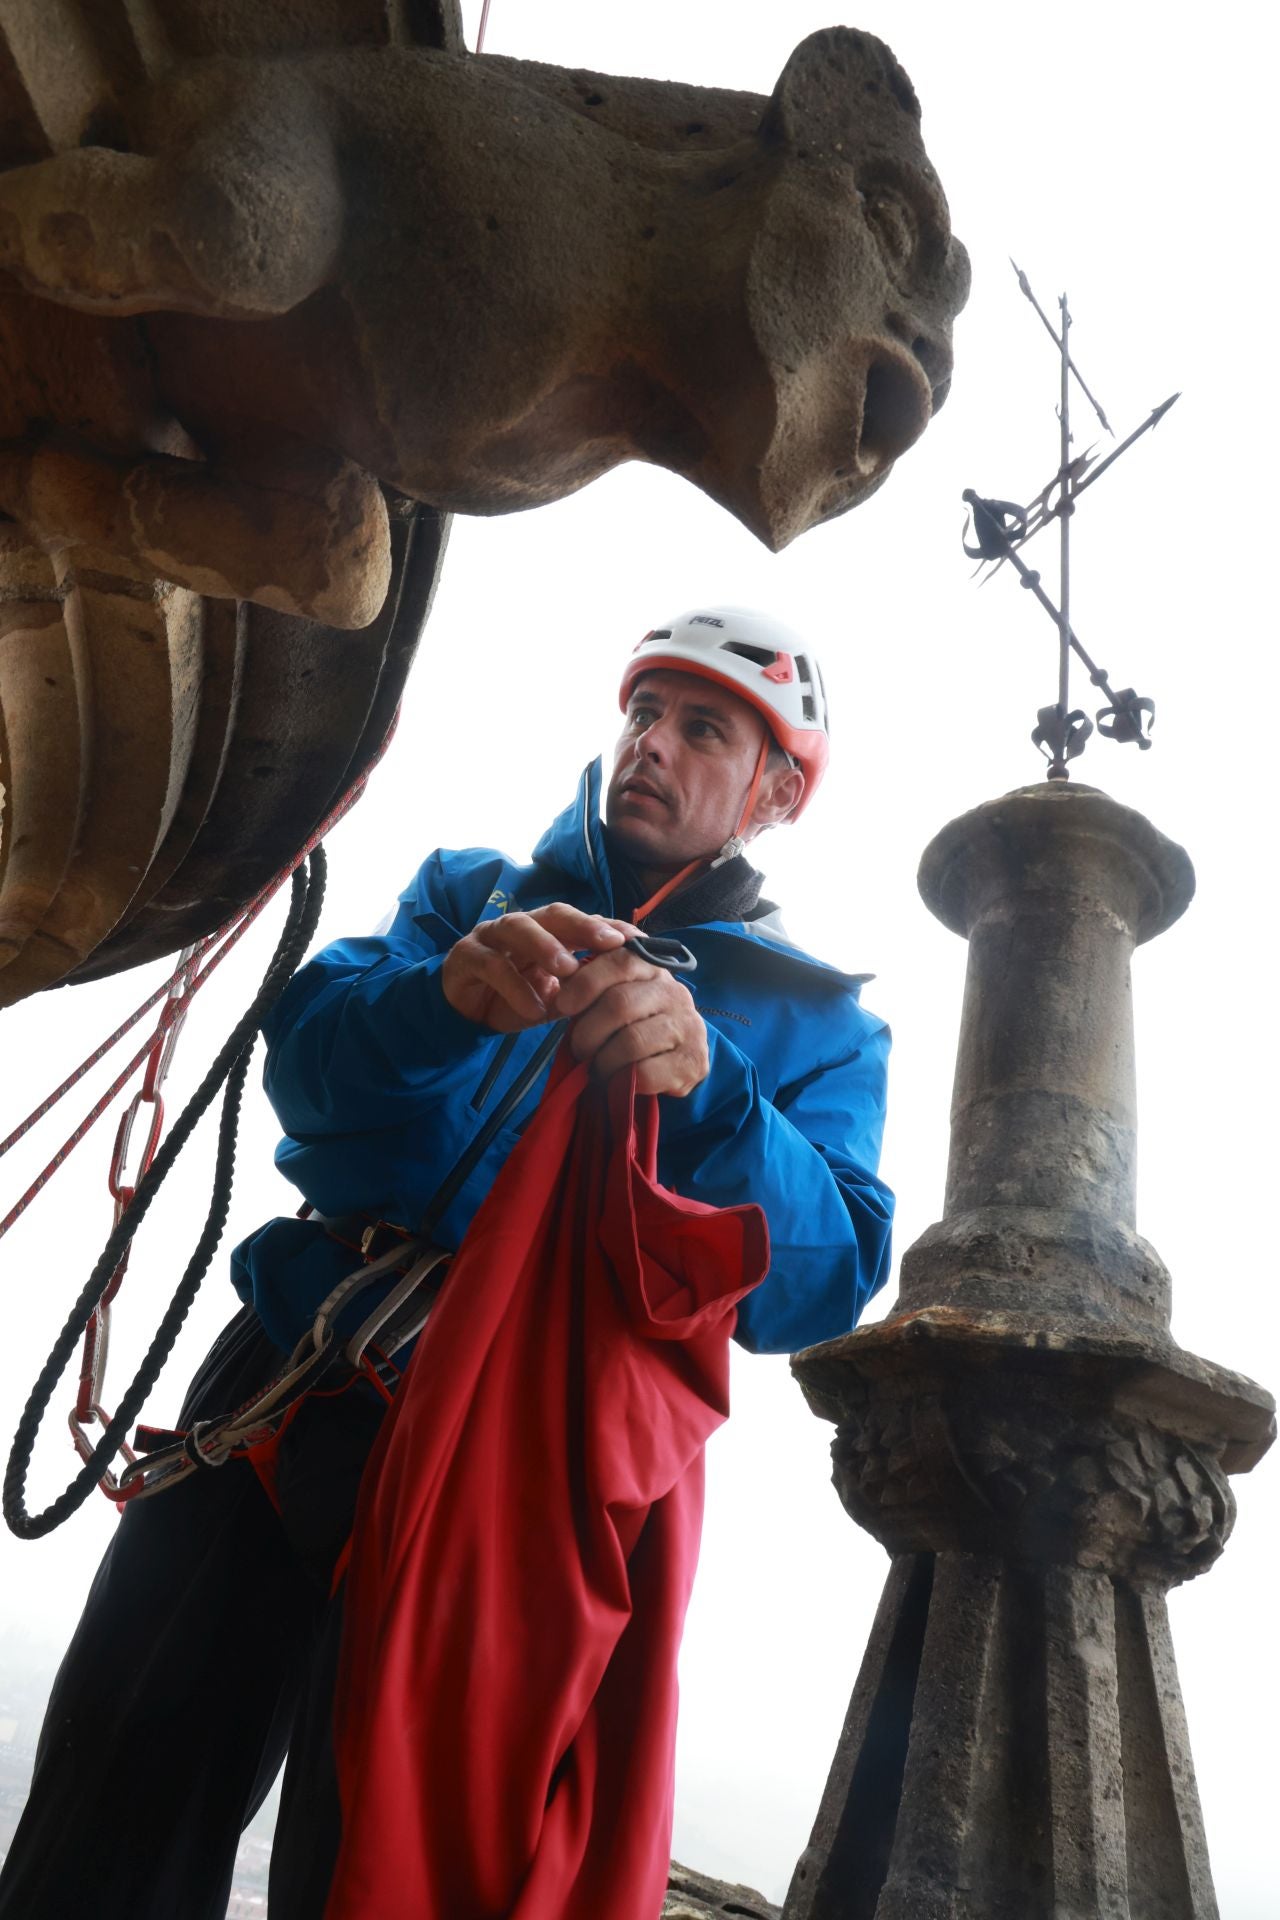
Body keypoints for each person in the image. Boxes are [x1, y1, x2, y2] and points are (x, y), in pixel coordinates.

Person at [0, 606, 894, 1920]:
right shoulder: (472, 897)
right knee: (116, 1791)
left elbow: (824, 1278)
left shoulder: (814, 1020)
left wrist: (714, 1096)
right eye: (644, 713)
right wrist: (436, 1002)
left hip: (515, 1450)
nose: (652, 744)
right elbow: (302, 1067)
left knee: (377, 1850)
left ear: (770, 795)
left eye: (704, 729)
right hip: (290, 1370)